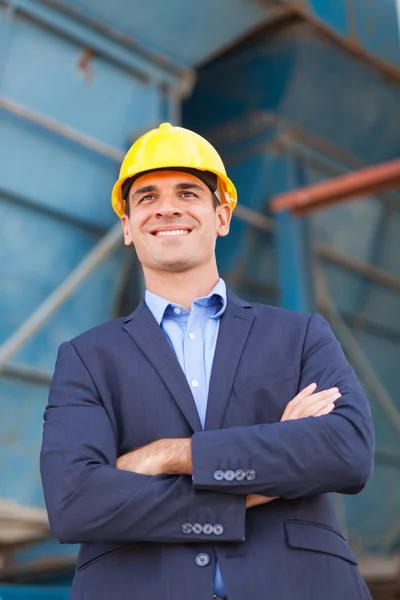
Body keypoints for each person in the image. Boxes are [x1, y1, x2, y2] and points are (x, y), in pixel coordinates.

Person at [40, 123, 374, 600]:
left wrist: (166, 455)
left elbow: (347, 451)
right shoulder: (86, 359)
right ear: (128, 227)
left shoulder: (300, 336)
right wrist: (274, 462)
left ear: (222, 216)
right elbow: (74, 502)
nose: (167, 207)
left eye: (188, 192)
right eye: (147, 197)